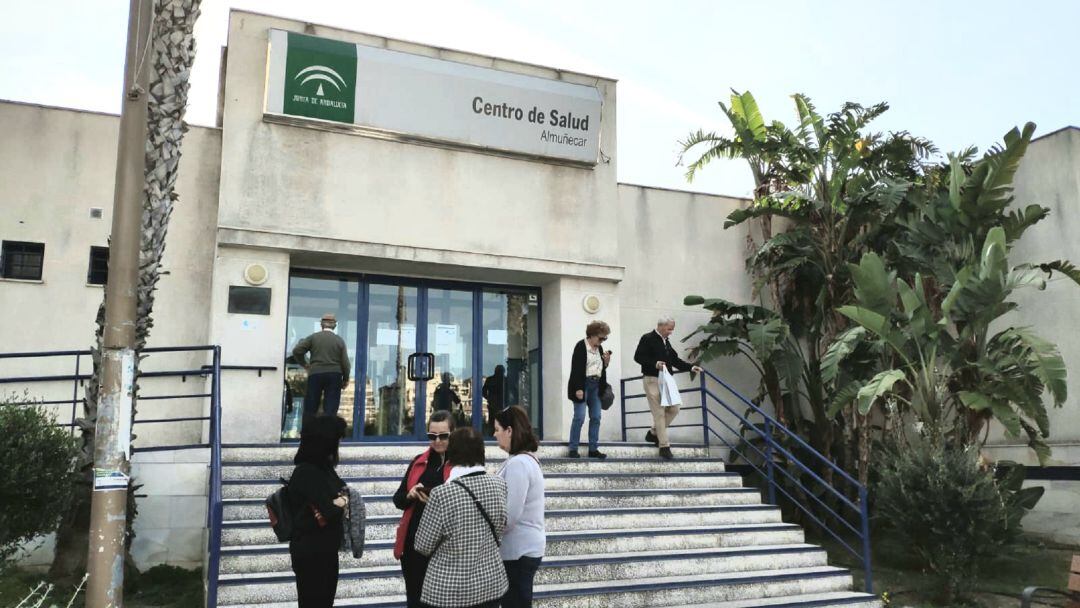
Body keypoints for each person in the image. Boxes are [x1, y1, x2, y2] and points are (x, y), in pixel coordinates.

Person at [416, 427, 508, 608]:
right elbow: (501, 525)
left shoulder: (442, 494)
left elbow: (423, 545)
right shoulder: (499, 484)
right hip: (491, 583)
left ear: (453, 452)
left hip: (450, 591)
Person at [392, 410, 455, 608]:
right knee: (415, 600)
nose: (437, 441)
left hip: (442, 549)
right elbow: (398, 499)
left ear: (453, 434)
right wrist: (410, 494)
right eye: (432, 436)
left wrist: (437, 502)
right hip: (412, 546)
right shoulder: (419, 461)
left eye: (443, 436)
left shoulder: (460, 465)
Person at [288, 415, 348, 608]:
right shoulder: (307, 472)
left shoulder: (324, 470)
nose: (338, 446)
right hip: (311, 554)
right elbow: (329, 510)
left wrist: (342, 500)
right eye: (336, 440)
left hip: (326, 551)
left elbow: (341, 493)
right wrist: (341, 501)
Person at [493, 406, 545, 608]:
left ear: (509, 431)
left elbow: (510, 513)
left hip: (518, 551)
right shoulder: (521, 460)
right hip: (522, 549)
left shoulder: (519, 464)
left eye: (497, 429)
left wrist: (489, 533)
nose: (494, 434)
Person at [633, 315, 702, 459]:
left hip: (666, 380)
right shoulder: (647, 338)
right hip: (652, 379)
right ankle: (664, 446)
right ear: (661, 326)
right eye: (670, 329)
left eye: (672, 329)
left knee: (674, 408)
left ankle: (653, 433)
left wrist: (691, 367)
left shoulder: (666, 342)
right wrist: (655, 364)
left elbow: (674, 360)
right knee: (659, 412)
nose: (671, 332)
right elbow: (638, 357)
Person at [566, 320, 611, 459]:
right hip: (583, 384)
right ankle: (573, 448)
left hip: (596, 385)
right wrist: (579, 388)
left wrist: (606, 363)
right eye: (601, 337)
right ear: (592, 335)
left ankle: (593, 449)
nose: (602, 341)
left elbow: (600, 369)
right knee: (579, 417)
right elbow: (576, 369)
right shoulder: (581, 346)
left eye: (605, 338)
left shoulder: (600, 349)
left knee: (596, 417)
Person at [292, 313, 351, 419]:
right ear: (335, 325)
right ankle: (328, 433)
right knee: (330, 408)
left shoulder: (313, 338)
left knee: (311, 406)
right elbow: (345, 363)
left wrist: (305, 364)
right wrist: (346, 379)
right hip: (334, 375)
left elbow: (297, 351)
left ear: (321, 325)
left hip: (315, 374)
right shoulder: (339, 340)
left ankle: (308, 432)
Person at [482, 364, 507, 433]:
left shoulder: (490, 379)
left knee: (493, 422)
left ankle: (492, 434)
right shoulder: (505, 380)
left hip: (496, 404)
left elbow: (483, 391)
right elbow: (483, 391)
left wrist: (488, 398)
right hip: (500, 404)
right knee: (500, 423)